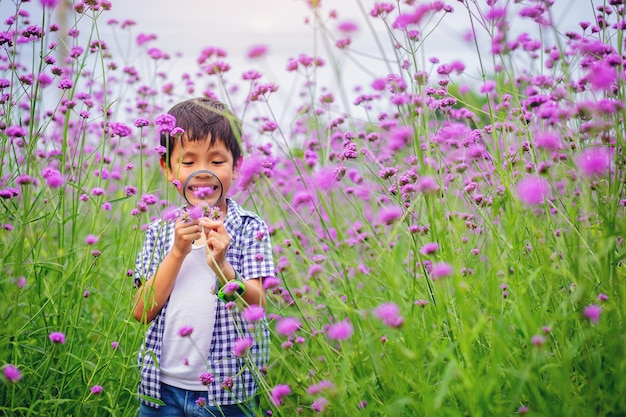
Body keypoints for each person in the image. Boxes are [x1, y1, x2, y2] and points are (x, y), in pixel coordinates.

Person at [132, 97, 274, 416]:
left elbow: (259, 304)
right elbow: (142, 311)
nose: (203, 172)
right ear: (167, 168)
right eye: (188, 161)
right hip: (162, 389)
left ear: (237, 167)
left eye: (217, 161)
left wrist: (222, 266)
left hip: (228, 390)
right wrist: (178, 251)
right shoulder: (158, 232)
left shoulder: (249, 227)